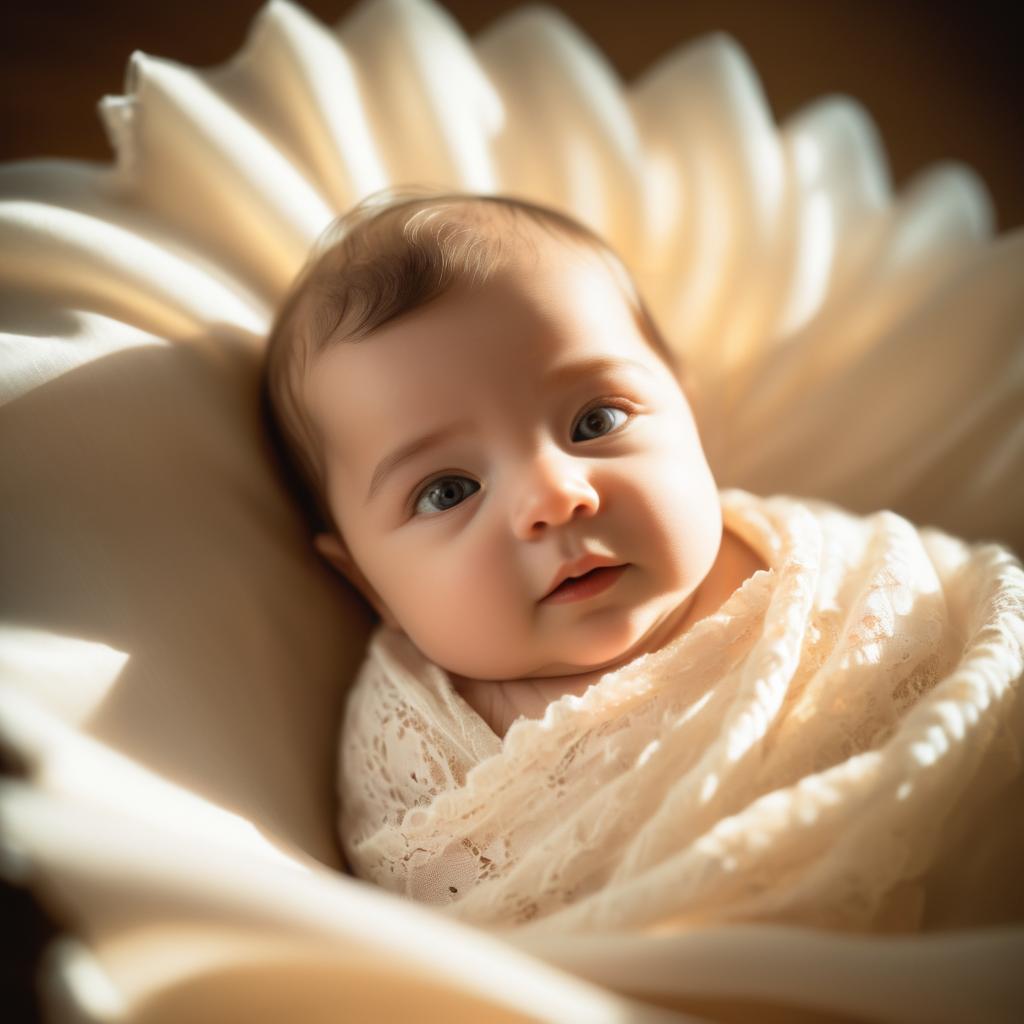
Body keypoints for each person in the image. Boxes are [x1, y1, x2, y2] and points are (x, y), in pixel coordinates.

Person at [261, 189, 1023, 930]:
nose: (555, 498)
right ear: (369, 583)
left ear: (687, 412)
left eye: (594, 421)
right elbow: (443, 946)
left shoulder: (837, 569)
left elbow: (972, 646)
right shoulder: (414, 749)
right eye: (447, 490)